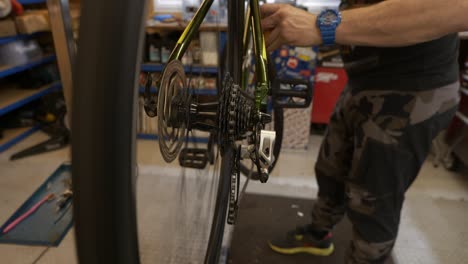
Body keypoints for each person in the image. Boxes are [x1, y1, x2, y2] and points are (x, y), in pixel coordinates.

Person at [261, 0, 468, 263]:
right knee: (331, 168)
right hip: (364, 81)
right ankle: (318, 234)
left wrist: (321, 25)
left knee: (373, 199)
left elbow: (457, 7)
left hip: (412, 91)